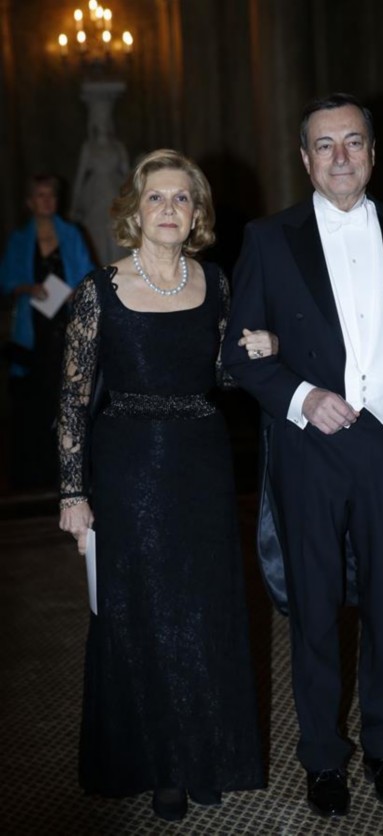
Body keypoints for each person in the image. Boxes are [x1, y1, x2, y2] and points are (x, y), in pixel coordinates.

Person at [222, 93, 383, 817]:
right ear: (304, 159)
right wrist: (300, 396)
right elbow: (238, 350)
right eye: (324, 146)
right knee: (315, 610)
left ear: (374, 153)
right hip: (310, 452)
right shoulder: (268, 238)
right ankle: (322, 758)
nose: (340, 158)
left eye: (353, 142)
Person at [58, 149, 275, 821]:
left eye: (183, 198)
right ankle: (160, 766)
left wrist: (262, 350)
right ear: (135, 209)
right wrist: (72, 494)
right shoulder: (99, 290)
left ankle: (204, 752)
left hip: (202, 464)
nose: (171, 209)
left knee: (205, 612)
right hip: (128, 471)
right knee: (144, 616)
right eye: (157, 197)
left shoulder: (213, 281)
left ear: (198, 212)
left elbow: (223, 372)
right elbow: (70, 400)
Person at [0, 174, 94, 490]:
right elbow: (7, 281)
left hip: (63, 326)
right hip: (32, 328)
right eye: (40, 195)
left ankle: (66, 474)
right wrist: (29, 288)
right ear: (29, 202)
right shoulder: (19, 238)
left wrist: (72, 292)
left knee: (65, 397)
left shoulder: (72, 234)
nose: (47, 201)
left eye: (51, 195)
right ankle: (32, 476)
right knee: (31, 403)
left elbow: (87, 276)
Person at [71, 99, 129, 264]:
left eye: (105, 118)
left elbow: (128, 177)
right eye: (99, 118)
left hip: (115, 191)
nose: (102, 122)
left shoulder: (118, 147)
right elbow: (80, 177)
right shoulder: (88, 147)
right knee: (97, 238)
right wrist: (75, 206)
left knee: (117, 236)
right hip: (94, 195)